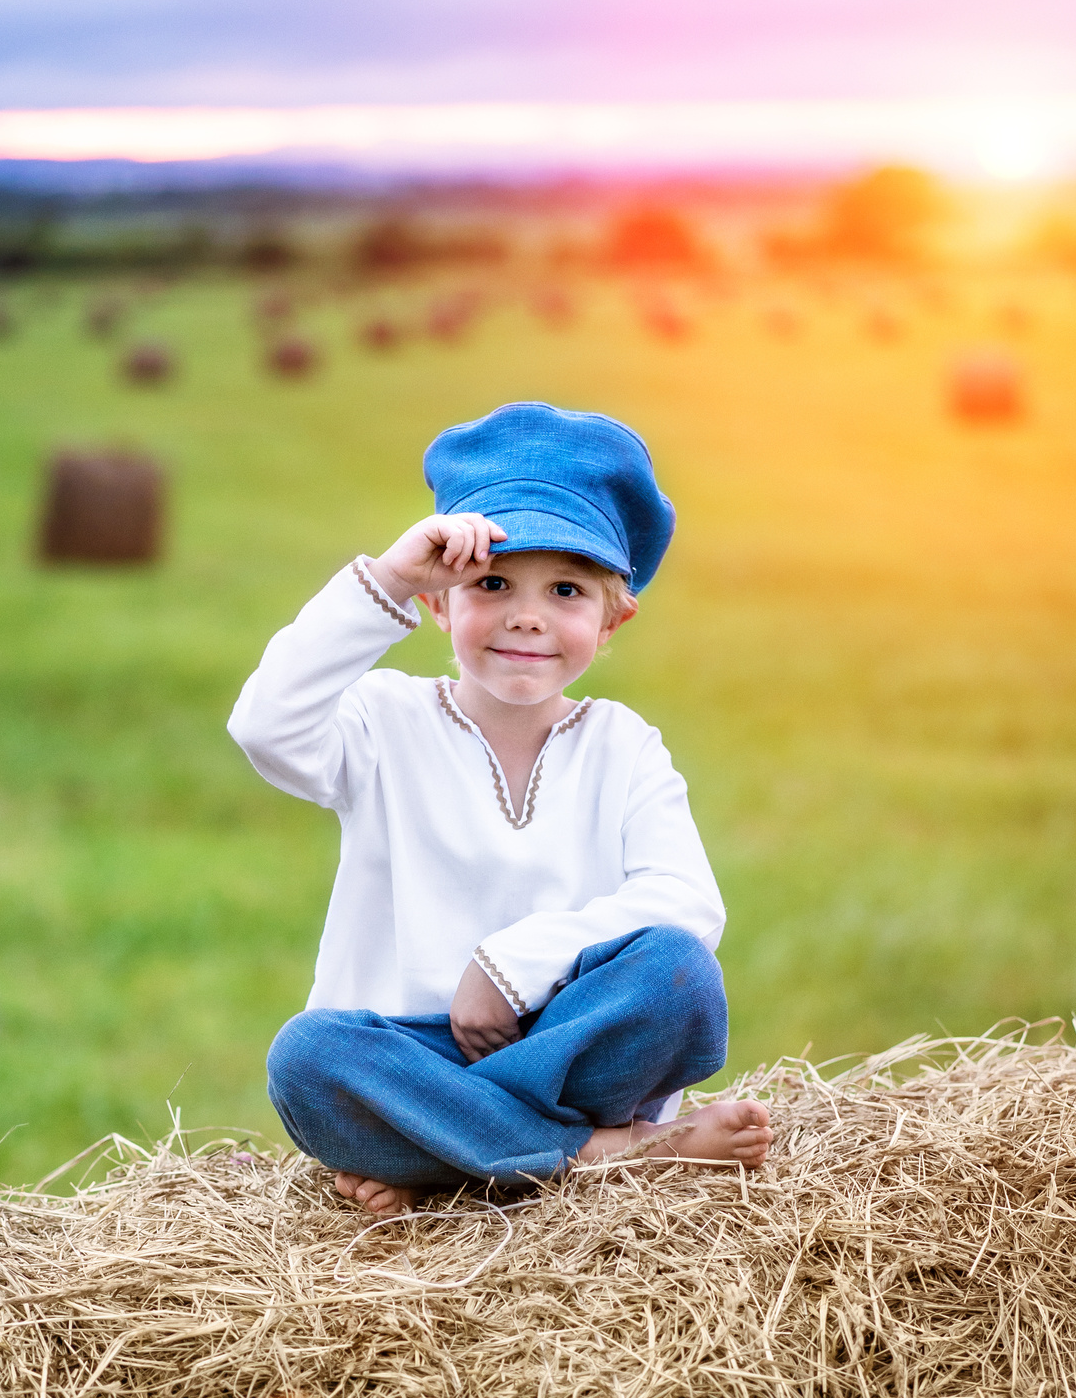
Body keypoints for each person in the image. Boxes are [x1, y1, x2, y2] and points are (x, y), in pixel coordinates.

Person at [228, 400, 771, 1216]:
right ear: (440, 604)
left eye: (565, 589)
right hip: (409, 1055)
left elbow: (686, 901)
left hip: (563, 1049)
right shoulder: (383, 720)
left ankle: (446, 1153)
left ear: (612, 617)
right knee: (307, 1058)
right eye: (490, 583)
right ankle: (599, 1155)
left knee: (678, 972)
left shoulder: (623, 745)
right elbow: (265, 726)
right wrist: (386, 579)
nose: (526, 615)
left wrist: (511, 969)